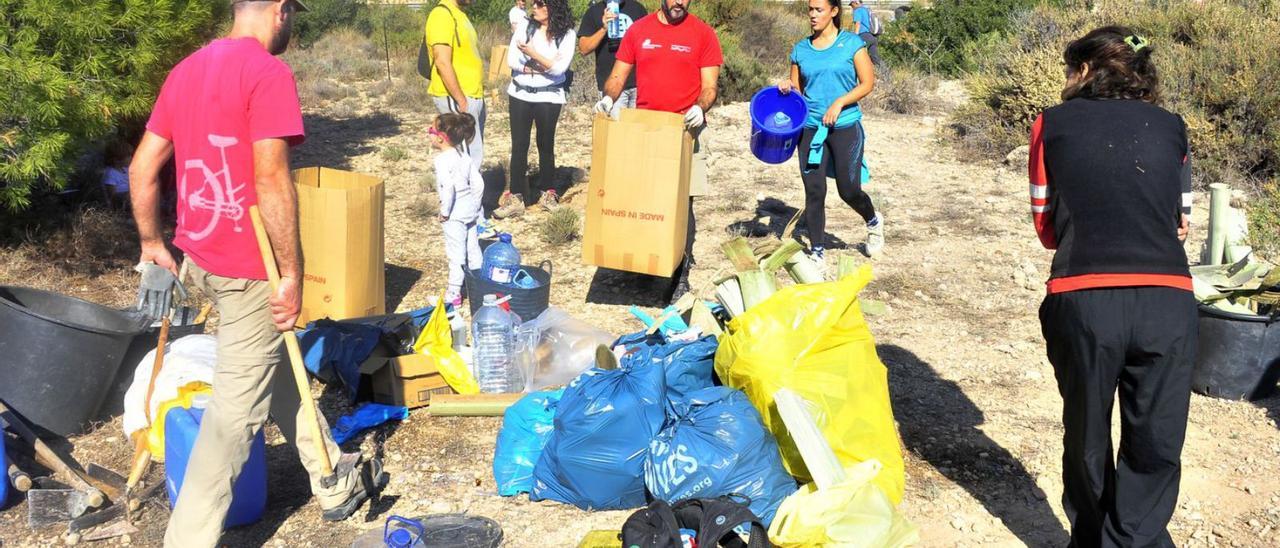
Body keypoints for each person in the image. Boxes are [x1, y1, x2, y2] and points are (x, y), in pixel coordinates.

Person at [128, 1, 383, 545]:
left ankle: (332, 478)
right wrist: (291, 274)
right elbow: (270, 179)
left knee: (270, 359)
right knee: (231, 421)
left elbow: (143, 167)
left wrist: (153, 244)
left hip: (197, 258)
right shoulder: (267, 73)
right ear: (281, 10)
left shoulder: (187, 69)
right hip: (249, 271)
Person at [1030, 26, 1195, 547]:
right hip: (1166, 300)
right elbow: (1181, 221)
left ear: (1085, 70)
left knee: (1086, 437)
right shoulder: (1173, 127)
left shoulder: (1050, 124)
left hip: (1084, 297)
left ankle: (1092, 538)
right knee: (1156, 437)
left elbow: (1045, 227)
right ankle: (1136, 539)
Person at [594, 0, 722, 302]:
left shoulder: (703, 34)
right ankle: (645, 263)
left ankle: (680, 273)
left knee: (682, 203)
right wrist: (609, 98)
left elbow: (710, 86)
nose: (679, 2)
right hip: (647, 129)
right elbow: (617, 76)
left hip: (685, 129)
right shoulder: (639, 31)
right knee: (646, 199)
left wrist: (700, 108)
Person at [780, 0, 882, 263]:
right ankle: (817, 253)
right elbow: (797, 90)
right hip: (811, 129)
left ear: (834, 12)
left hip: (845, 126)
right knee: (814, 192)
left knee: (849, 191)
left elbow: (868, 83)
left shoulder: (851, 44)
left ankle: (872, 220)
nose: (812, 15)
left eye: (819, 10)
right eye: (810, 10)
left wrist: (840, 101)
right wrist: (787, 89)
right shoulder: (801, 49)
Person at [494, 0, 577, 219]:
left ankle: (547, 192)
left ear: (553, 6)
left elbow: (561, 68)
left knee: (545, 143)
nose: (534, 7)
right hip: (520, 93)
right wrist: (538, 67)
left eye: (540, 3)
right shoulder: (524, 26)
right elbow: (512, 59)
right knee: (519, 144)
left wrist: (533, 54)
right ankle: (517, 196)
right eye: (534, 3)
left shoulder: (567, 34)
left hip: (550, 96)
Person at [430, 113, 485, 306]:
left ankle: (454, 292)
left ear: (440, 137)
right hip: (469, 209)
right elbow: (478, 184)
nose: (429, 135)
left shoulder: (442, 160)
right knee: (473, 248)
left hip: (454, 213)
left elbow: (448, 187)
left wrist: (445, 212)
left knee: (456, 254)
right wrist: (476, 206)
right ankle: (479, 285)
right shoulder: (464, 155)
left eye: (431, 131)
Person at [426, 0, 486, 176]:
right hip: (456, 97)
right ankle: (467, 201)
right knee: (465, 157)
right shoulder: (442, 15)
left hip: (469, 95)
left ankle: (473, 200)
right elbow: (442, 61)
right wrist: (460, 99)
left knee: (473, 153)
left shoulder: (459, 14)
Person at [578, 0, 648, 116]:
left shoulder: (637, 9)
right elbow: (584, 48)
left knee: (637, 131)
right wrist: (604, 29)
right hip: (611, 88)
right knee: (615, 131)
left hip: (639, 85)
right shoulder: (594, 11)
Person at [850, 0, 881, 66]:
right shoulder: (867, 10)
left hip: (863, 36)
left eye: (852, 5)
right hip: (872, 37)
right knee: (875, 58)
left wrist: (855, 37)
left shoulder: (857, 11)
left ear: (855, 2)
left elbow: (858, 24)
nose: (852, 7)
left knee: (854, 54)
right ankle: (886, 74)